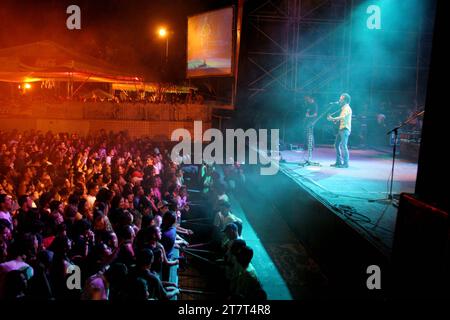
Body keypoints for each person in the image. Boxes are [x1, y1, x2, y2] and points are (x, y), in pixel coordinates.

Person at [327, 93, 352, 168]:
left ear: (345, 100)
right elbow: (343, 118)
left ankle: (346, 163)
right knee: (336, 145)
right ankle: (338, 162)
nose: (339, 100)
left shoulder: (347, 108)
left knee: (343, 146)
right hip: (342, 129)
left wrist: (333, 119)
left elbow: (342, 117)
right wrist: (335, 120)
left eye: (341, 99)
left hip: (345, 129)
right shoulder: (343, 108)